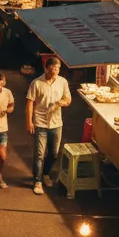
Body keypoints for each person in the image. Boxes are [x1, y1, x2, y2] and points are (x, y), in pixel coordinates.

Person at [26, 57, 71, 194]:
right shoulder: (36, 83)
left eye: (57, 69)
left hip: (56, 123)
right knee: (39, 154)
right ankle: (37, 181)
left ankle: (45, 173)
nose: (55, 72)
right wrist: (29, 121)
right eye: (52, 69)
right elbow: (30, 103)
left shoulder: (62, 82)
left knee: (54, 153)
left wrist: (61, 103)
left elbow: (68, 99)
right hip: (40, 122)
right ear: (46, 68)